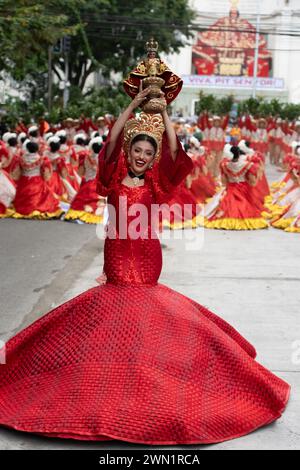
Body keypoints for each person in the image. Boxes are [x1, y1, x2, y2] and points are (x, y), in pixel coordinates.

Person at [0, 90, 290, 445]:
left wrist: (164, 116)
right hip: (118, 255)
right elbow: (109, 145)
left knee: (147, 315)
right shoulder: (111, 179)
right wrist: (133, 107)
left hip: (148, 255)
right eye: (137, 151)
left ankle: (148, 381)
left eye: (147, 153)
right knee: (116, 311)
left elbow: (175, 155)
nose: (141, 156)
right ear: (129, 153)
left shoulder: (156, 182)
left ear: (152, 158)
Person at [203, 145, 269, 230]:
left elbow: (224, 182)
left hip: (230, 190)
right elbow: (252, 182)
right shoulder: (248, 165)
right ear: (239, 154)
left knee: (227, 207)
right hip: (245, 191)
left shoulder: (224, 165)